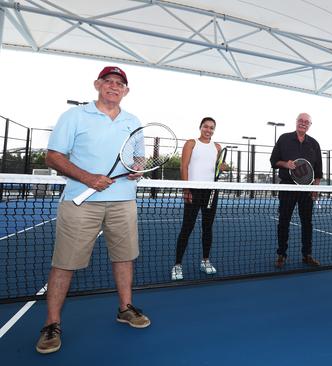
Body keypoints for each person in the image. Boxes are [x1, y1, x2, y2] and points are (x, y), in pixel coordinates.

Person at [36, 66, 150, 354]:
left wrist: (137, 169)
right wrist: (88, 178)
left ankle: (125, 308)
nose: (114, 86)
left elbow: (138, 158)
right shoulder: (74, 116)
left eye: (119, 83)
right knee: (65, 262)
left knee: (124, 258)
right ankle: (52, 323)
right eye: (108, 81)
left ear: (126, 90)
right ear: (97, 85)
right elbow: (52, 156)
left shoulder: (133, 121)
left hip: (123, 200)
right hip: (81, 201)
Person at [171, 117, 222, 281]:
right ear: (200, 127)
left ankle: (205, 261)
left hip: (211, 192)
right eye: (206, 127)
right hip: (193, 191)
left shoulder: (217, 147)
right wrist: (186, 189)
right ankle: (177, 265)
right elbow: (183, 166)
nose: (208, 130)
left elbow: (216, 167)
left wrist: (223, 168)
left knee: (208, 228)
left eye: (212, 128)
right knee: (187, 227)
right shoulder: (191, 143)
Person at [270, 113, 323, 268]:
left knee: (307, 223)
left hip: (307, 190)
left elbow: (318, 169)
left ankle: (307, 255)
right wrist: (286, 164)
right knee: (284, 222)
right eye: (301, 121)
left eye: (306, 122)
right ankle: (281, 255)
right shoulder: (284, 139)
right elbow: (274, 161)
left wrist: (315, 188)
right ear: (296, 122)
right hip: (287, 187)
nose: (303, 123)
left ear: (310, 125)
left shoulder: (314, 144)